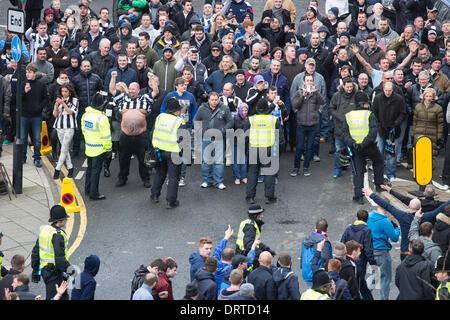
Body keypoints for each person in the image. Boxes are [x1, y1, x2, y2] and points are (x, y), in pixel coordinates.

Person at [341, 91, 384, 204]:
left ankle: (358, 196)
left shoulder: (348, 115)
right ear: (364, 103)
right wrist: (364, 143)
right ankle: (379, 185)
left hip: (355, 148)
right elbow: (373, 132)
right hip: (368, 146)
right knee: (378, 161)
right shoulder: (369, 114)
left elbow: (345, 134)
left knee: (358, 171)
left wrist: (354, 144)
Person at [109, 77, 151, 189]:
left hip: (141, 135)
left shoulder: (145, 99)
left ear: (138, 90)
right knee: (123, 159)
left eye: (133, 89)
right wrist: (113, 77)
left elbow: (155, 91)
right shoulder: (122, 98)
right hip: (126, 135)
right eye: (130, 89)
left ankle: (146, 179)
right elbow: (112, 90)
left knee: (144, 159)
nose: (131, 91)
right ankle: (122, 178)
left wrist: (152, 80)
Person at [31, 205, 71, 300]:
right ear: (61, 220)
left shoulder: (45, 230)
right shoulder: (57, 236)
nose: (66, 221)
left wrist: (35, 270)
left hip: (46, 271)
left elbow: (36, 252)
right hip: (54, 274)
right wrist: (73, 272)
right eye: (66, 219)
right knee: (55, 296)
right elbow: (60, 260)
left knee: (62, 295)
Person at [195, 92, 233, 190]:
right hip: (206, 138)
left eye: (216, 99)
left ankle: (218, 182)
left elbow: (230, 121)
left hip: (219, 138)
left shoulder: (224, 108)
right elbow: (196, 120)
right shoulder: (202, 108)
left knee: (219, 161)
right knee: (206, 161)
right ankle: (206, 181)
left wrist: (223, 130)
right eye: (212, 100)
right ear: (208, 100)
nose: (214, 101)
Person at [150, 98, 184, 208]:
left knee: (160, 173)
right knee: (173, 177)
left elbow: (153, 132)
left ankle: (155, 195)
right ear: (177, 110)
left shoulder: (159, 117)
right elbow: (183, 140)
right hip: (174, 152)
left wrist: (153, 147)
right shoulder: (179, 121)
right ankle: (171, 201)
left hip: (159, 150)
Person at [245, 98, 279, 204]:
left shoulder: (251, 120)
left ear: (257, 108)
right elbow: (280, 138)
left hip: (253, 149)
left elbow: (245, 137)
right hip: (268, 149)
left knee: (252, 174)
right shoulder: (274, 119)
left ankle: (250, 197)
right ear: (267, 108)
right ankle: (269, 197)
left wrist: (246, 151)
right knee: (269, 173)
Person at [291, 73, 325, 177]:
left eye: (311, 81)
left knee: (310, 147)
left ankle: (306, 167)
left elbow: (322, 102)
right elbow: (295, 105)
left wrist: (316, 93)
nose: (309, 82)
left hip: (313, 124)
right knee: (300, 147)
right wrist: (303, 96)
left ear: (313, 82)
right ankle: (296, 167)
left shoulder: (315, 93)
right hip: (301, 124)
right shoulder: (299, 92)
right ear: (304, 82)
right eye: (307, 81)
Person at [372, 81, 407, 181]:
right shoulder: (378, 98)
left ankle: (391, 174)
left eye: (389, 90)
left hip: (393, 130)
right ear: (383, 89)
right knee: (379, 153)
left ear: (393, 90)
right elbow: (374, 113)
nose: (387, 92)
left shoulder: (399, 99)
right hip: (381, 129)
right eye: (386, 90)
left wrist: (396, 123)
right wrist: (379, 124)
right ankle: (377, 175)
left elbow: (403, 113)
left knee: (391, 154)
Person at [81, 92, 112, 200]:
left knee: (90, 169)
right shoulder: (102, 118)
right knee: (96, 171)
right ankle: (94, 193)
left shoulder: (85, 115)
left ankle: (87, 189)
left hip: (89, 147)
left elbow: (84, 131)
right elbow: (106, 137)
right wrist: (108, 150)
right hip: (99, 149)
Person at [340, 209, 377, 300]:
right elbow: (368, 249)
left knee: (357, 284)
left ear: (357, 218)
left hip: (348, 260)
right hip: (361, 262)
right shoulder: (366, 230)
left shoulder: (349, 228)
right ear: (367, 219)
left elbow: (342, 242)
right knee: (359, 284)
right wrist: (373, 262)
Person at [329, 77, 358, 179]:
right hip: (339, 128)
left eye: (351, 86)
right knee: (338, 150)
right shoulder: (337, 96)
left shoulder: (357, 96)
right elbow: (331, 108)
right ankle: (337, 169)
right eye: (347, 87)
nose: (349, 89)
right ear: (343, 86)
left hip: (353, 130)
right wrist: (339, 116)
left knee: (353, 151)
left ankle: (355, 169)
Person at [20, 63, 49, 167]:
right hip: (24, 115)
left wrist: (39, 107)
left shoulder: (41, 85)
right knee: (23, 138)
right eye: (27, 72)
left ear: (35, 73)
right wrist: (24, 92)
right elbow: (16, 98)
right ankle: (22, 157)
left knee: (37, 139)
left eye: (30, 72)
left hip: (36, 116)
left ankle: (37, 158)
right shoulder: (23, 84)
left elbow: (46, 98)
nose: (28, 74)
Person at [52, 84, 78, 180]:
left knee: (64, 148)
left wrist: (63, 104)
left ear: (70, 92)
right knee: (64, 148)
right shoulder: (59, 101)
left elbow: (71, 112)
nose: (64, 93)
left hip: (69, 127)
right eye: (62, 91)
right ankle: (70, 168)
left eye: (66, 91)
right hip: (59, 126)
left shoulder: (74, 101)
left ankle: (57, 169)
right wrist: (56, 106)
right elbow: (55, 115)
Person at [411, 87, 444, 157]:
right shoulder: (418, 107)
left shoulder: (438, 108)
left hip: (432, 134)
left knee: (430, 155)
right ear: (423, 96)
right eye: (427, 96)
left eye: (430, 96)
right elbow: (414, 121)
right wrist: (412, 133)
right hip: (419, 132)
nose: (428, 98)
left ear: (433, 97)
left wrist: (439, 136)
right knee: (419, 155)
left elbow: (440, 123)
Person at [301, 218, 333, 288]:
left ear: (315, 227)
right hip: (317, 274)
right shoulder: (324, 241)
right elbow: (326, 259)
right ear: (326, 229)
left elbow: (302, 255)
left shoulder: (306, 238)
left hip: (306, 272)